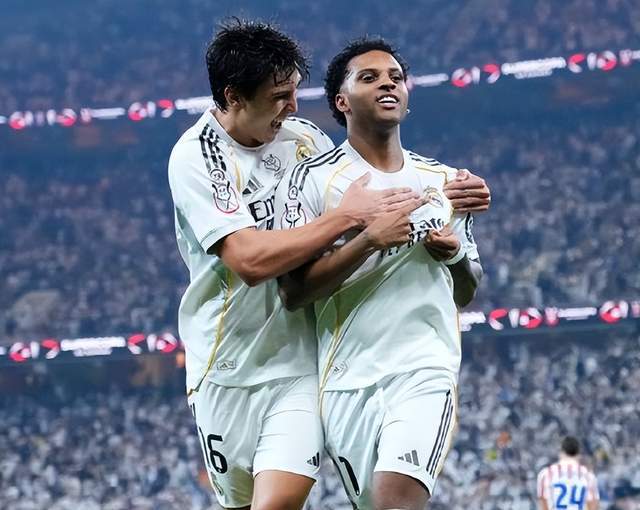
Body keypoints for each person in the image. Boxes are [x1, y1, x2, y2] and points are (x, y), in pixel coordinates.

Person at [168, 20, 491, 510]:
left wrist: (455, 196)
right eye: (279, 97)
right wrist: (349, 220)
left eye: (295, 92)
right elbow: (249, 261)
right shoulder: (198, 156)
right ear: (234, 97)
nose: (293, 108)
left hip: (304, 360)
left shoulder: (304, 141)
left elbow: (364, 169)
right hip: (228, 360)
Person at [275, 38, 483, 509]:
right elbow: (293, 293)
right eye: (369, 78)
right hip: (345, 380)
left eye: (395, 77)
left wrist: (453, 256)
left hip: (423, 368)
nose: (387, 84)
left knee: (396, 501)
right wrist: (368, 239)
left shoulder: (445, 182)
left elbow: (467, 290)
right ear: (341, 102)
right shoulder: (310, 181)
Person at [537, 436, 600, 510]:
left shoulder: (546, 474)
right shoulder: (588, 476)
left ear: (561, 452)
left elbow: (543, 505)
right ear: (578, 453)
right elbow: (593, 505)